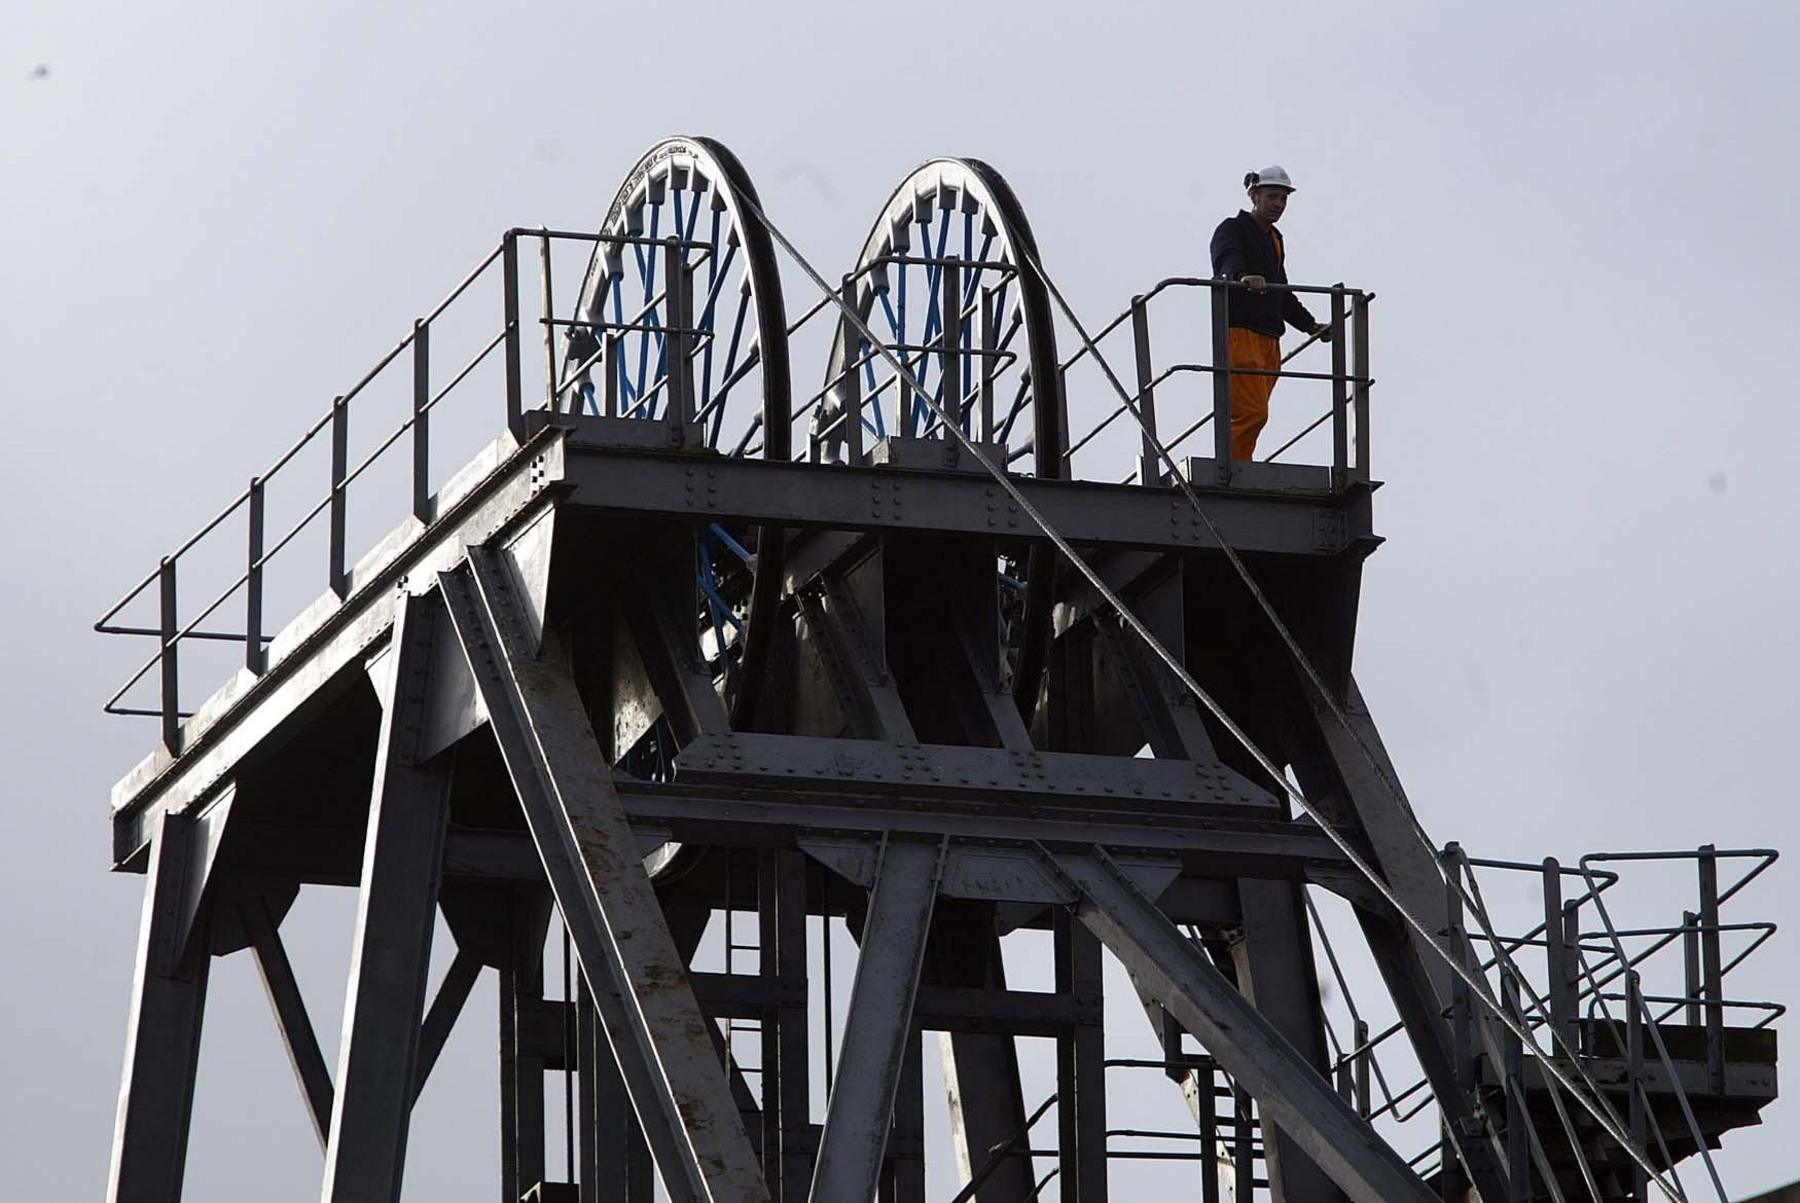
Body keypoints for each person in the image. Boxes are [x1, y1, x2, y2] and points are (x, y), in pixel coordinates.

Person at [1208, 165, 1332, 461]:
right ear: (1254, 195)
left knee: (1254, 411)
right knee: (1251, 412)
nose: (1278, 204)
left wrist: (1310, 325)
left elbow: (1282, 292)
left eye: (1283, 199)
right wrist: (1242, 276)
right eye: (1272, 196)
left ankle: (1238, 462)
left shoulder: (1274, 239)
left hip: (1270, 339)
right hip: (1241, 333)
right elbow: (1227, 259)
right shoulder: (1232, 228)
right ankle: (1233, 467)